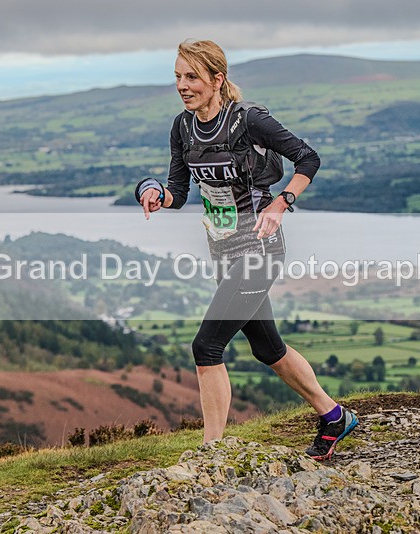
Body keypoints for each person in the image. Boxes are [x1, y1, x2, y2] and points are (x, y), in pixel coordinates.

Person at [135, 39, 357, 460]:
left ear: (217, 79)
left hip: (260, 248)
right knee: (268, 349)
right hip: (223, 251)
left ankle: (210, 451)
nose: (183, 85)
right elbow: (179, 192)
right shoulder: (183, 128)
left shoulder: (248, 120)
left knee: (206, 347)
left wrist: (281, 202)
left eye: (192, 77)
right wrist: (151, 191)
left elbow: (307, 158)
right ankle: (334, 416)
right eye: (178, 77)